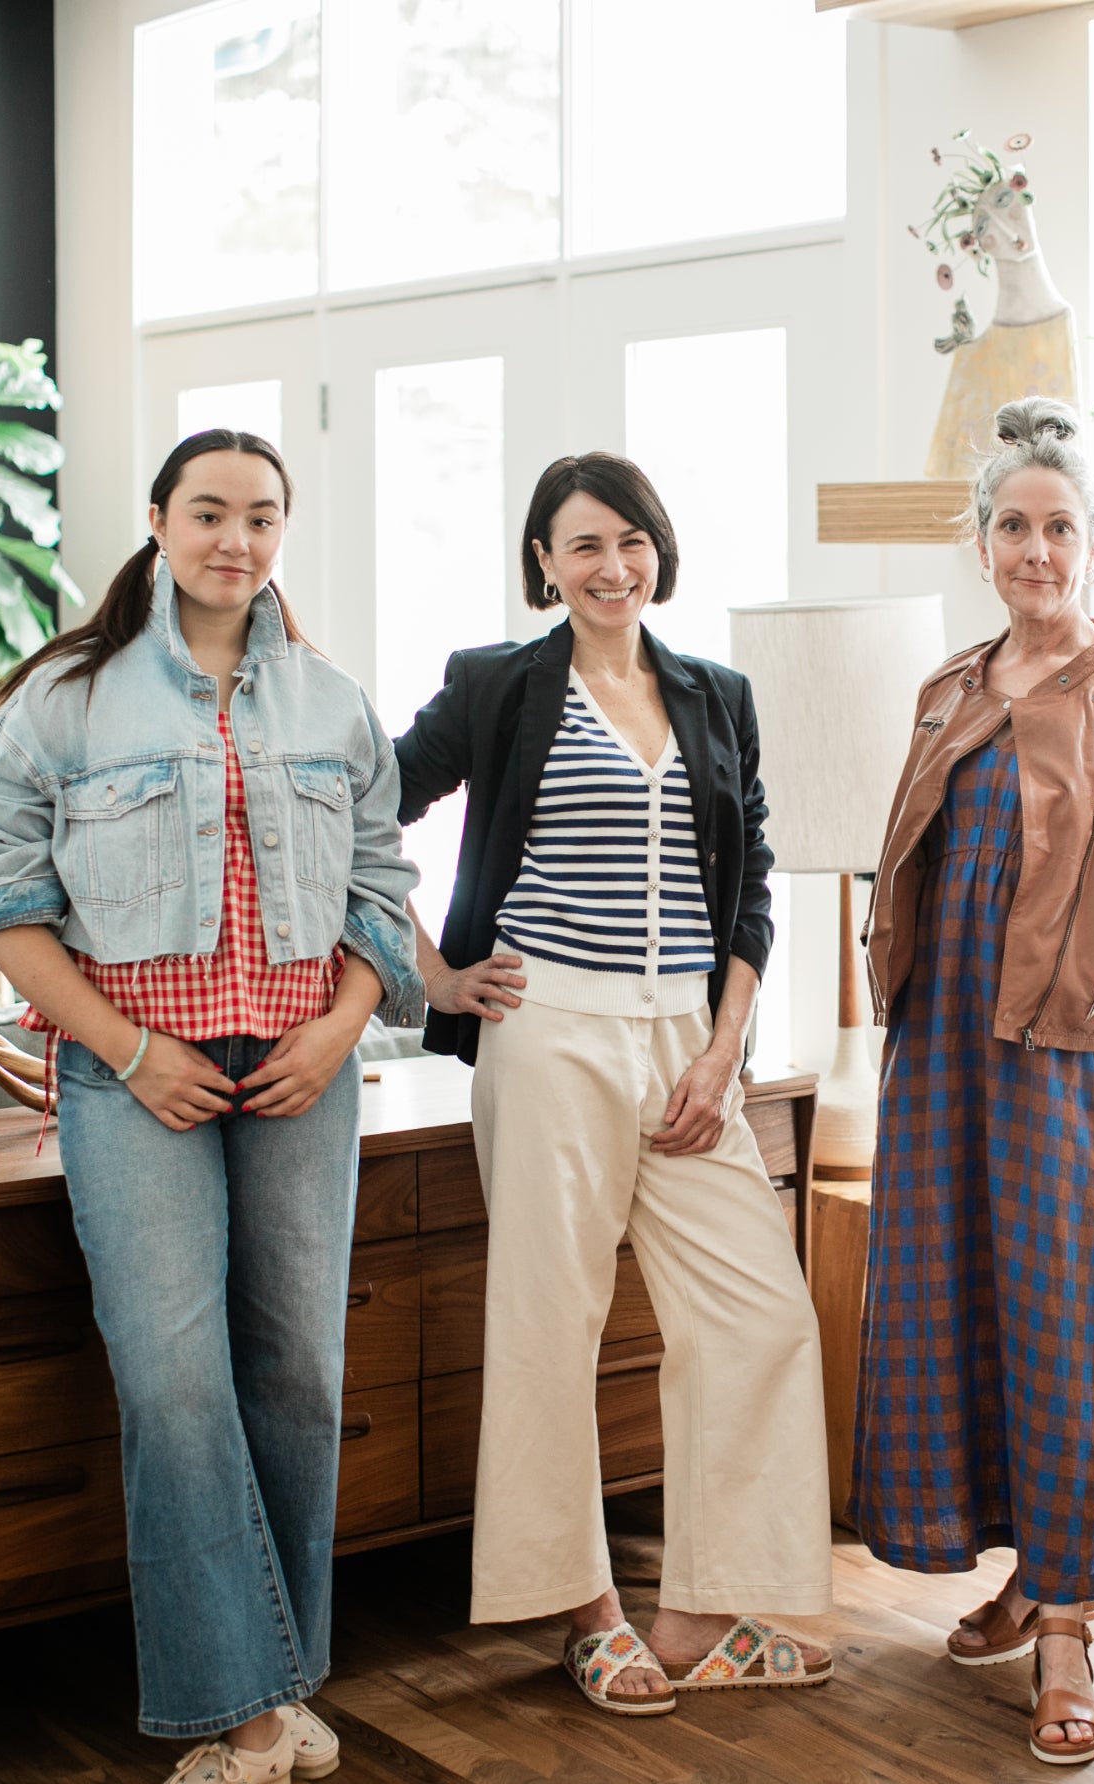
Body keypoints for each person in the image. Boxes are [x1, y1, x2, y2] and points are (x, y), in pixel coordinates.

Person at [0, 430, 420, 1784]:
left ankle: (277, 1698)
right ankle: (245, 1717)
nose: (235, 540)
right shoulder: (63, 701)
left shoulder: (333, 701)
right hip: (132, 1076)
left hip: (302, 1074)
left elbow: (381, 891)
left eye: (261, 516)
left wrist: (338, 1031)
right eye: (208, 512)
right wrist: (131, 1050)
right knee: (174, 1384)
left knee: (300, 1379)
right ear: (157, 522)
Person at [394, 451, 833, 1713]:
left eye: (630, 539)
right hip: (549, 1027)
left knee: (759, 1314)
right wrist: (433, 973)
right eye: (582, 543)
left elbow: (749, 886)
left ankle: (696, 1612)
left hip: (687, 1035)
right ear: (543, 561)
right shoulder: (496, 685)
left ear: (658, 550)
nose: (611, 564)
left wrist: (724, 1047)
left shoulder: (715, 695)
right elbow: (362, 811)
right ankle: (586, 1609)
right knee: (552, 1320)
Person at [852, 398, 1094, 1764]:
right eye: (1012, 526)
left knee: (1064, 1328)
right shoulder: (947, 689)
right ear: (981, 543)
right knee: (958, 1311)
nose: (1035, 549)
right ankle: (1028, 1574)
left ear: (1093, 543)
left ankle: (1070, 1633)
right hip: (936, 1047)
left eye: (1058, 527)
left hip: (1062, 1054)